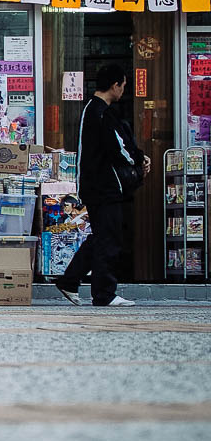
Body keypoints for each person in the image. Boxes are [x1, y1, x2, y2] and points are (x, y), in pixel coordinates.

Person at [57, 62, 149, 307]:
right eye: (123, 85)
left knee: (102, 237)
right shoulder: (100, 112)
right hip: (104, 188)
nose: (123, 90)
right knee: (109, 239)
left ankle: (70, 281)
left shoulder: (93, 109)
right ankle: (103, 293)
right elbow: (118, 147)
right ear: (114, 85)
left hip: (96, 187)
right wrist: (140, 160)